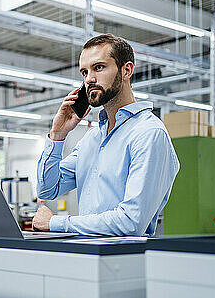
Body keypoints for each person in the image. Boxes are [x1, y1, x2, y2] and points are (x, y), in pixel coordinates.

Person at [32, 34, 179, 236]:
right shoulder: (92, 139)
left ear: (127, 70)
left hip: (124, 260)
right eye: (84, 72)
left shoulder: (148, 133)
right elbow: (47, 189)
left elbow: (131, 222)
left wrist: (56, 223)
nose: (89, 79)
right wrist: (57, 135)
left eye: (98, 67)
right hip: (88, 256)